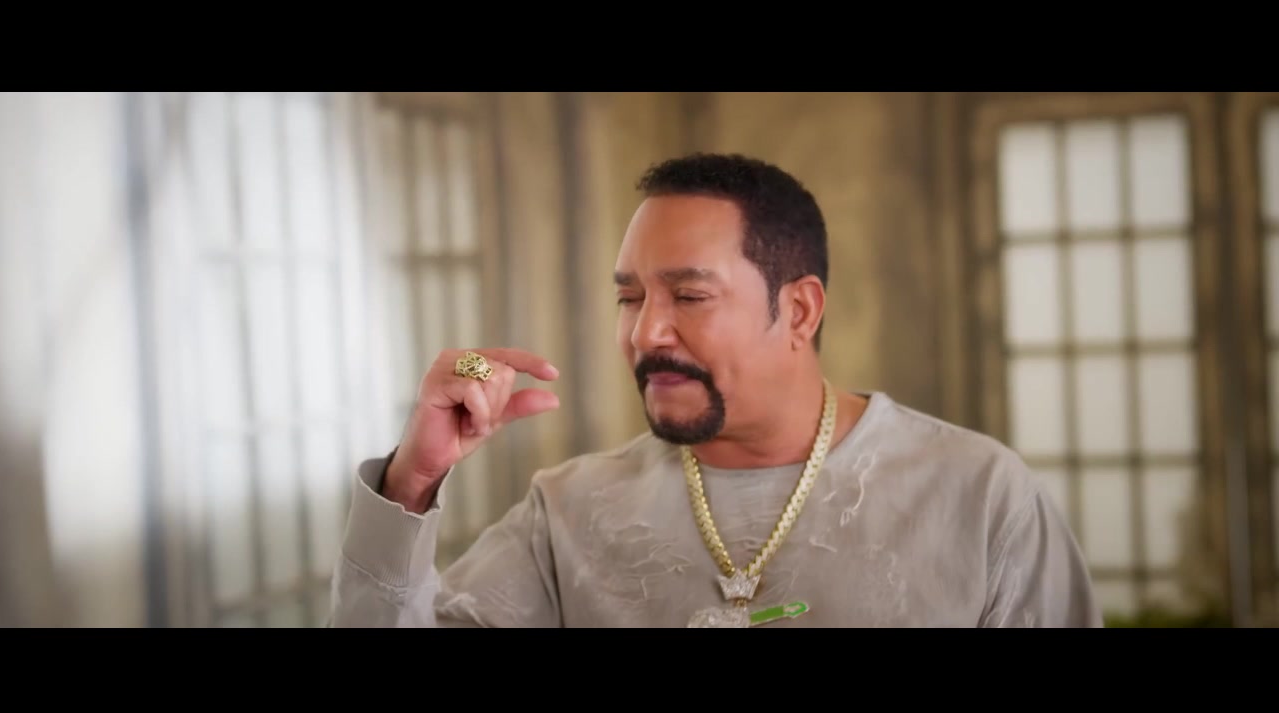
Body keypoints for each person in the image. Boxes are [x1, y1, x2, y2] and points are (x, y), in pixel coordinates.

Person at [328, 152, 1103, 628]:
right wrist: (413, 481)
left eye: (689, 296)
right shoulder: (568, 513)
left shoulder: (977, 495)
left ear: (799, 310)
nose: (645, 332)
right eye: (629, 297)